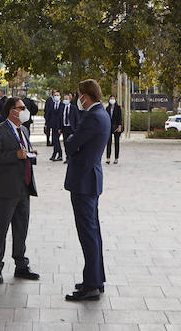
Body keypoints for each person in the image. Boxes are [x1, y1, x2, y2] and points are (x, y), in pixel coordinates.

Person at [63, 79, 110, 302]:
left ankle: (92, 284)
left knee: (88, 233)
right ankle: (95, 279)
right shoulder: (102, 114)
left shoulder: (92, 117)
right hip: (90, 180)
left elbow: (71, 144)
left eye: (79, 94)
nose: (77, 98)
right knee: (93, 232)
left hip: (83, 181)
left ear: (85, 96)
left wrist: (72, 142)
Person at [0, 96, 40, 284]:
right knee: (0, 228)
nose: (25, 110)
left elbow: (25, 150)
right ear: (12, 110)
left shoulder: (24, 129)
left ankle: (21, 265)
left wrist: (31, 154)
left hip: (24, 187)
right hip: (4, 188)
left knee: (21, 227)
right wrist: (15, 155)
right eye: (22, 107)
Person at [104, 95, 123, 164]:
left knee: (116, 143)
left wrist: (119, 126)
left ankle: (116, 158)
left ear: (115, 100)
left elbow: (120, 118)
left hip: (116, 126)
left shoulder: (118, 108)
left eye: (113, 98)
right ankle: (108, 158)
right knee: (108, 142)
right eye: (111, 98)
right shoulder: (107, 108)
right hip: (109, 127)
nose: (112, 100)